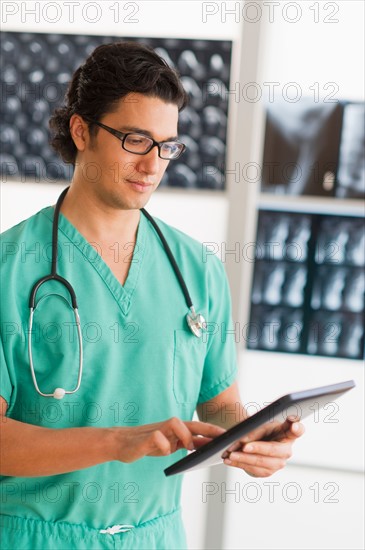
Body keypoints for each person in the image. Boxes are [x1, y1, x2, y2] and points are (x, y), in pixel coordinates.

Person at [0, 41, 304, 550]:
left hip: (157, 537)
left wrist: (253, 436)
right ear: (81, 131)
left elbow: (218, 403)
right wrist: (120, 442)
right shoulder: (10, 268)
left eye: (167, 145)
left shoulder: (196, 270)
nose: (153, 164)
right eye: (136, 140)